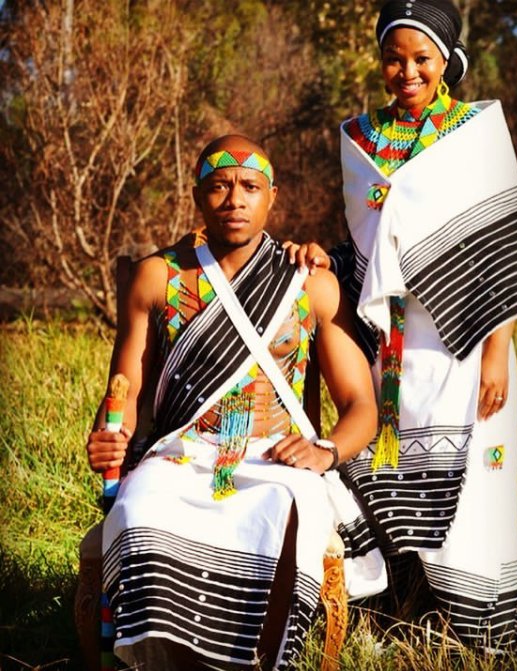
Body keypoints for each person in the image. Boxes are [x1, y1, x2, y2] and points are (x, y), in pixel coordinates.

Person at [292, 0, 517, 653]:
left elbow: (502, 249)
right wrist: (330, 258)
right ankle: (401, 612)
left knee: (472, 485)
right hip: (394, 346)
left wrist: (495, 353)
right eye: (394, 59)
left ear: (444, 60)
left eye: (420, 58)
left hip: (468, 339)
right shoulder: (362, 137)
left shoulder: (475, 131)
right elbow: (370, 247)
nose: (406, 71)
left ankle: (476, 626)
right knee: (391, 477)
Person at [84, 134, 382, 670]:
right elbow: (124, 389)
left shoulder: (307, 282)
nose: (234, 199)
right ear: (198, 195)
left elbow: (362, 404)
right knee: (140, 507)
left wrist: (326, 452)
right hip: (183, 453)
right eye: (219, 186)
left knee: (286, 513)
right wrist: (112, 434)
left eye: (250, 187)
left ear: (273, 197)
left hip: (277, 457)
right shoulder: (159, 276)